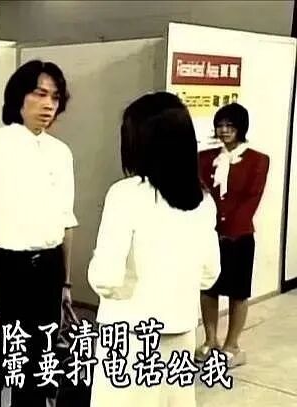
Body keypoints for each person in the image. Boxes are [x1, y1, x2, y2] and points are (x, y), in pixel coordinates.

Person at [0, 59, 79, 407]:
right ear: (18, 97)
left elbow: (66, 222)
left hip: (48, 270)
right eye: (40, 93)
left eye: (55, 97)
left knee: (38, 370)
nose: (48, 104)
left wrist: (65, 283)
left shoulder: (61, 153)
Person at [87, 92, 221, 406]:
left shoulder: (125, 195)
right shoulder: (203, 201)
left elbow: (106, 277)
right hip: (180, 333)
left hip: (129, 337)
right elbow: (210, 275)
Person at [196, 103, 269, 368]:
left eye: (230, 125)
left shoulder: (258, 159)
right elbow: (199, 193)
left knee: (238, 292)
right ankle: (210, 339)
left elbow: (251, 200)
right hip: (209, 234)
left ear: (241, 128)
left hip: (239, 236)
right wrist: (209, 226)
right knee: (208, 288)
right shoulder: (204, 158)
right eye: (220, 125)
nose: (224, 130)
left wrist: (227, 227)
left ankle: (232, 345)